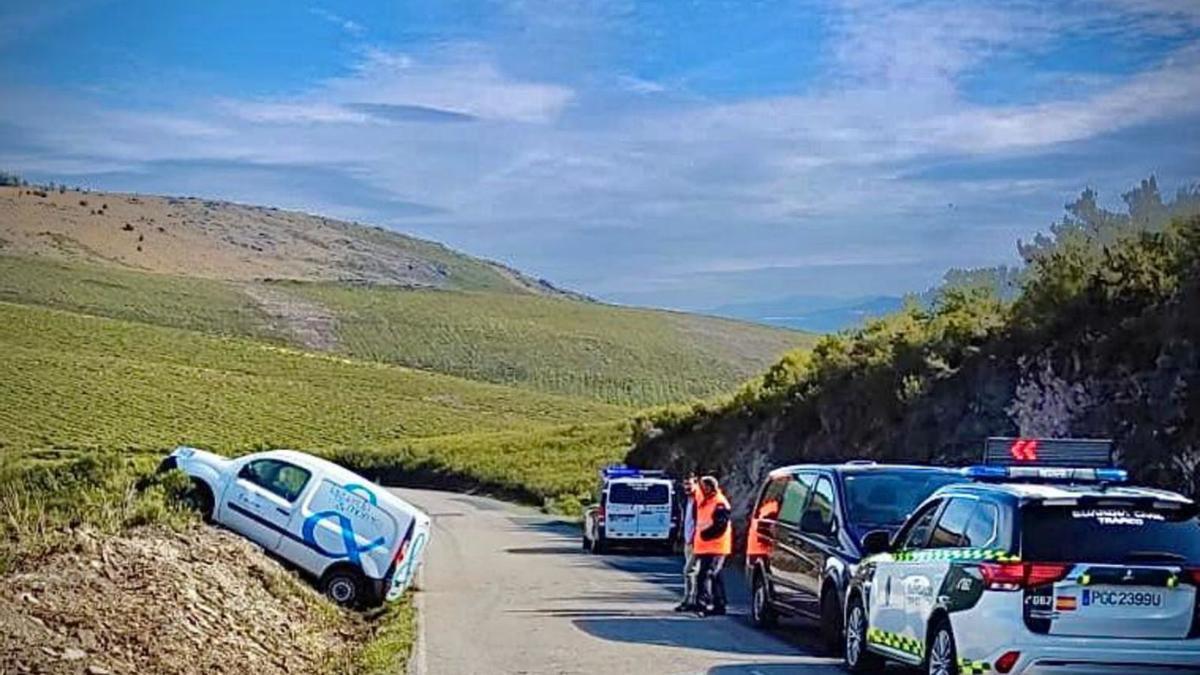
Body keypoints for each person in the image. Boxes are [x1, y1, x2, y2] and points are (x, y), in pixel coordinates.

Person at [693, 475, 732, 617]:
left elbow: (720, 525)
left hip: (715, 546)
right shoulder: (706, 500)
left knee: (705, 575)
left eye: (703, 487)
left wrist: (705, 535)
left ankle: (703, 605)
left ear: (709, 487)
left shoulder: (719, 502)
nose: (701, 490)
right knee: (715, 576)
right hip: (706, 546)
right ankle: (719, 605)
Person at [674, 475, 701, 612]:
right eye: (685, 484)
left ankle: (691, 599)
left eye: (689, 484)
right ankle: (690, 599)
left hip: (696, 542)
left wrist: (695, 538)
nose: (687, 487)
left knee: (689, 571)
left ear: (696, 483)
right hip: (688, 540)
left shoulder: (699, 500)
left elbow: (700, 522)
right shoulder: (687, 500)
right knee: (691, 571)